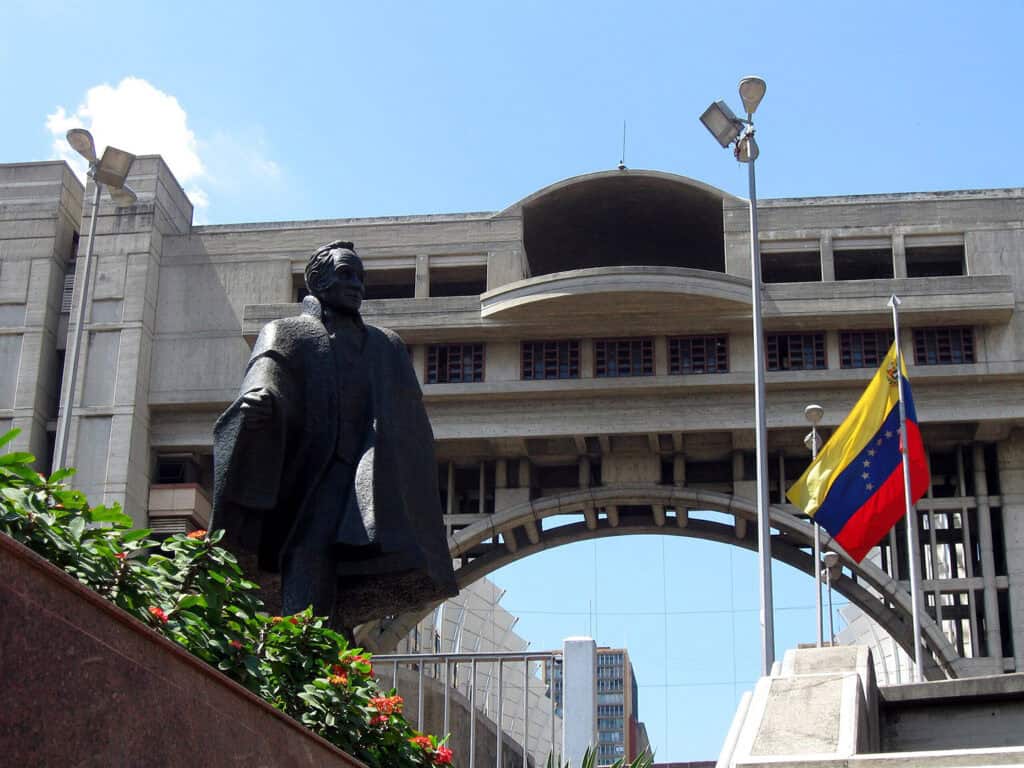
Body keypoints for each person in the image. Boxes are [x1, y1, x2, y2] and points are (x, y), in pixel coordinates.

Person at [213, 240, 456, 637]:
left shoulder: (385, 345)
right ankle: (301, 661)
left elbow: (410, 419)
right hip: (313, 479)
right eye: (346, 274)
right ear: (318, 280)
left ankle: (324, 661)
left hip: (368, 482)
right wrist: (260, 402)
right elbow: (266, 375)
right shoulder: (288, 333)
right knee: (309, 560)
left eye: (361, 277)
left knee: (346, 585)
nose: (357, 285)